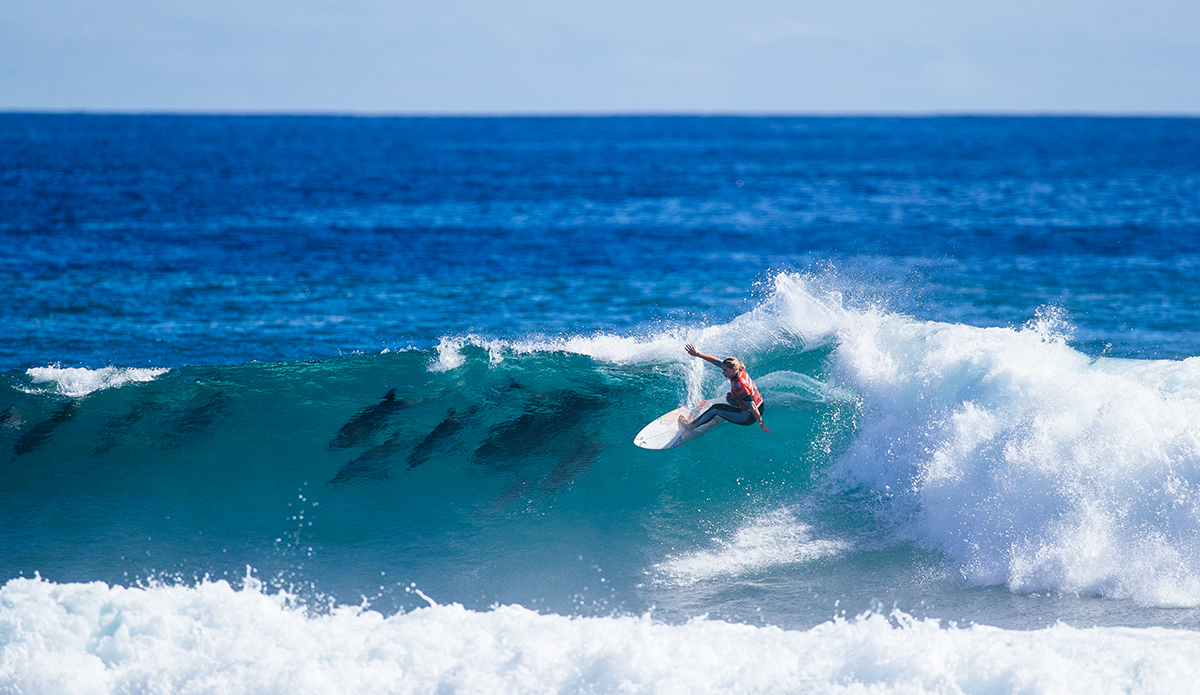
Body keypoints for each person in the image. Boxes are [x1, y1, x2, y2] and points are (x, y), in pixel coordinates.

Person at [681, 344, 772, 434]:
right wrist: (698, 354)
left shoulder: (739, 387)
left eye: (725, 370)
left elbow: (752, 407)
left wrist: (761, 424)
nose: (723, 372)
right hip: (760, 403)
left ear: (733, 369)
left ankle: (691, 426)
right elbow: (715, 361)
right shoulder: (739, 369)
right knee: (729, 397)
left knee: (715, 409)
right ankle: (724, 414)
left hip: (748, 417)